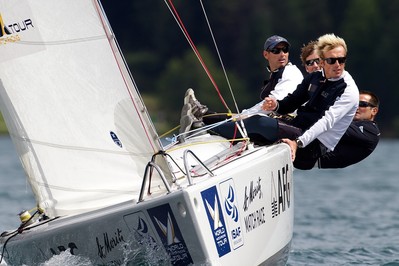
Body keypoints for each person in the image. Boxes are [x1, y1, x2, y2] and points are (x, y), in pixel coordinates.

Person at [263, 33, 359, 170]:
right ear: (322, 62)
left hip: (311, 146)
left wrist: (298, 143)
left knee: (260, 124)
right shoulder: (315, 77)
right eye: (332, 60)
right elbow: (293, 101)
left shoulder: (348, 90)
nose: (338, 65)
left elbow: (326, 122)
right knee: (257, 125)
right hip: (299, 130)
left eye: (341, 60)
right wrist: (276, 105)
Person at [179, 35, 303, 141]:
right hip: (278, 124)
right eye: (276, 50)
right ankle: (202, 115)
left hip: (292, 127)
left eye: (285, 50)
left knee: (256, 121)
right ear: (266, 54)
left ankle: (200, 127)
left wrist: (243, 115)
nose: (282, 54)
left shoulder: (291, 72)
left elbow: (272, 104)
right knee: (245, 117)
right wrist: (242, 115)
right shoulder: (277, 74)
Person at [318, 90, 380, 168]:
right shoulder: (350, 122)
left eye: (362, 104)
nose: (357, 107)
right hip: (308, 152)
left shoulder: (371, 131)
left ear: (374, 111)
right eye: (355, 104)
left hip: (311, 156)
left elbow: (334, 126)